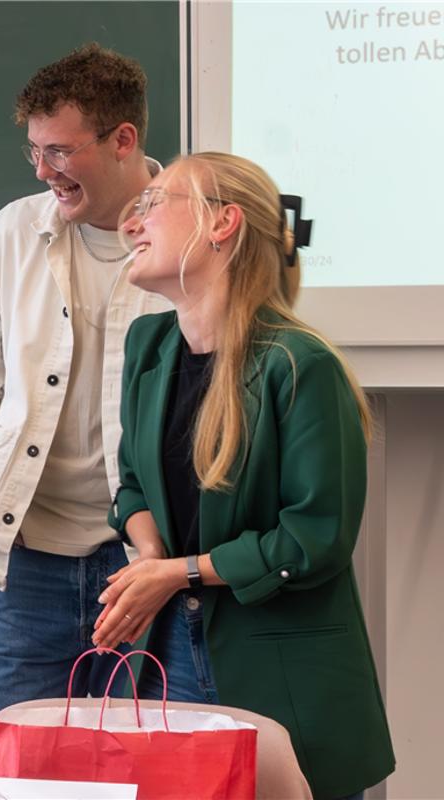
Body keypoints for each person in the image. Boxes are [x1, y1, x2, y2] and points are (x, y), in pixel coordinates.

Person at [94, 152, 395, 799]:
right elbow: (132, 484)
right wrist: (148, 559)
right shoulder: (148, 346)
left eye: (155, 202)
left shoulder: (300, 365)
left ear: (222, 224)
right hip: (166, 659)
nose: (132, 225)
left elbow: (313, 539)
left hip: (280, 679)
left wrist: (174, 573)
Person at [0, 43, 171, 730]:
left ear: (123, 140)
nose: (44, 172)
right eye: (34, 152)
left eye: (60, 152)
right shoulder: (9, 234)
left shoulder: (190, 235)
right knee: (17, 771)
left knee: (140, 770)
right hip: (23, 563)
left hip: (143, 564)